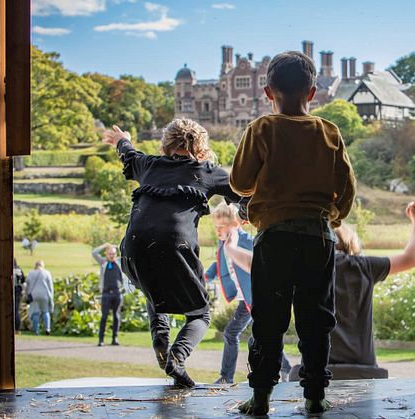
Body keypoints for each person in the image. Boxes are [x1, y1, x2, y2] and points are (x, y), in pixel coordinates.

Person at [230, 51, 355, 415]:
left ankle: (262, 397)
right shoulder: (329, 132)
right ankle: (315, 396)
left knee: (269, 317)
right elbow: (346, 189)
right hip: (318, 236)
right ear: (313, 92)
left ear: (268, 92)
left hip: (274, 236)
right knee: (316, 318)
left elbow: (239, 182)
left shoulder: (262, 128)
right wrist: (332, 218)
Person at [102, 118, 242, 388]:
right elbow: (242, 191)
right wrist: (246, 212)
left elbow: (128, 152)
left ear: (166, 145)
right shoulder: (206, 170)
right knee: (200, 314)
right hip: (173, 246)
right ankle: (177, 357)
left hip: (132, 249)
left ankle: (161, 338)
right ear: (201, 148)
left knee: (154, 289)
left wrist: (122, 138)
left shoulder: (150, 165)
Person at [282, 198, 415, 381]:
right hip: (363, 368)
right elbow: (410, 258)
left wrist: (233, 248)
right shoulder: (364, 266)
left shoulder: (304, 268)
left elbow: (253, 263)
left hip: (316, 368)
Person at [205, 202, 291, 385]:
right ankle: (286, 369)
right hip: (246, 299)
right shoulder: (223, 244)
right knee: (259, 337)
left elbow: (260, 263)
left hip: (256, 297)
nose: (218, 230)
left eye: (222, 226)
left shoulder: (245, 241)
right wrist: (206, 277)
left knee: (234, 334)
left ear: (235, 224)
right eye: (216, 227)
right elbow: (218, 264)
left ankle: (226, 377)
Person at [92, 243, 126, 346]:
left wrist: (118, 248)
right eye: (110, 254)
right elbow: (94, 253)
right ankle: (101, 339)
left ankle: (114, 338)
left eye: (113, 254)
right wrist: (104, 246)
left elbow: (125, 255)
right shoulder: (103, 263)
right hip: (106, 294)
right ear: (106, 254)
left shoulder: (119, 263)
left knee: (116, 316)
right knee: (104, 317)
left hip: (117, 293)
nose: (112, 256)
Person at [25, 260, 53, 335]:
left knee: (35, 313)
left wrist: (27, 294)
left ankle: (36, 331)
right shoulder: (47, 273)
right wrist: (51, 297)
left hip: (34, 295)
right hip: (44, 295)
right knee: (45, 311)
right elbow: (50, 286)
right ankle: (47, 328)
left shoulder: (31, 273)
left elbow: (27, 285)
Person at [13, 258, 26, 331]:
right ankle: (17, 327)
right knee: (16, 309)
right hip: (18, 291)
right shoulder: (19, 270)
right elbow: (23, 281)